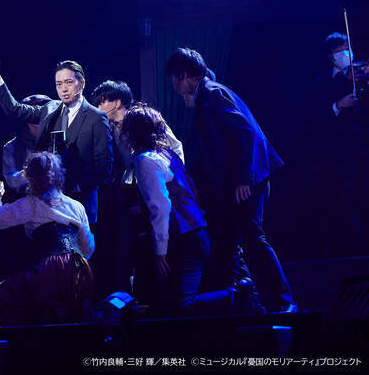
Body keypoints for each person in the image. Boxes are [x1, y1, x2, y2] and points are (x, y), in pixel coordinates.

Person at [165, 48, 297, 313]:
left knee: (253, 237)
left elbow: (245, 133)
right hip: (239, 182)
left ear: (185, 75)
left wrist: (243, 179)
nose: (174, 85)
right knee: (233, 241)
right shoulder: (206, 94)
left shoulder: (213, 94)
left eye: (174, 78)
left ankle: (286, 301)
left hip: (248, 180)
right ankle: (250, 303)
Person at [119, 103, 247, 316]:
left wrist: (160, 253)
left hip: (186, 239)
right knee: (173, 306)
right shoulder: (168, 154)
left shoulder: (145, 161)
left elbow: (160, 209)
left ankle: (237, 294)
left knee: (181, 306)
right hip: (196, 234)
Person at [0, 44, 113, 224]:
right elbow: (15, 110)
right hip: (47, 205)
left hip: (80, 205)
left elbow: (104, 165)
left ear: (82, 83)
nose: (63, 89)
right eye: (59, 84)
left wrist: (78, 187)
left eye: (69, 82)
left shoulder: (96, 117)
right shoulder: (50, 109)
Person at [89, 80, 184, 297]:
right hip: (135, 190)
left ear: (117, 102)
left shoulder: (142, 119)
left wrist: (173, 179)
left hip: (162, 184)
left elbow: (175, 147)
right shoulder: (111, 128)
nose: (99, 106)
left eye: (102, 101)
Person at [0, 152, 95, 325]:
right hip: (80, 270)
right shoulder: (76, 206)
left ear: (31, 178)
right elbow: (88, 248)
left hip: (52, 269)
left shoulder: (32, 204)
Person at [315, 33, 369, 253]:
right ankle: (354, 248)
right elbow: (314, 115)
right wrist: (337, 106)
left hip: (363, 144)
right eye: (340, 50)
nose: (345, 53)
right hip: (338, 150)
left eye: (347, 48)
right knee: (345, 198)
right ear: (331, 56)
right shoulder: (321, 81)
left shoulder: (359, 74)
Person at [2, 94, 53, 195]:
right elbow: (11, 180)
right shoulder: (11, 147)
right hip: (27, 200)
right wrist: (33, 171)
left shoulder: (59, 139)